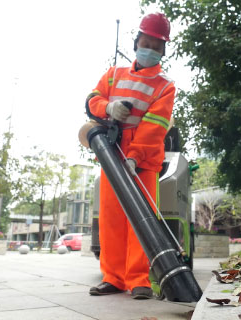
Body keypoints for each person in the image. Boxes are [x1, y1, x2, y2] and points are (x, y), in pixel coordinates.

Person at [85, 13, 175, 300]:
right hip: (112, 155)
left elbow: (155, 127)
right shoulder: (113, 74)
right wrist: (108, 108)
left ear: (163, 51)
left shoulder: (165, 86)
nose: (149, 49)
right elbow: (91, 100)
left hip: (142, 163)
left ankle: (139, 280)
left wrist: (135, 157)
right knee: (111, 219)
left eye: (156, 46)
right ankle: (113, 277)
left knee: (142, 220)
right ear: (136, 42)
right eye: (145, 42)